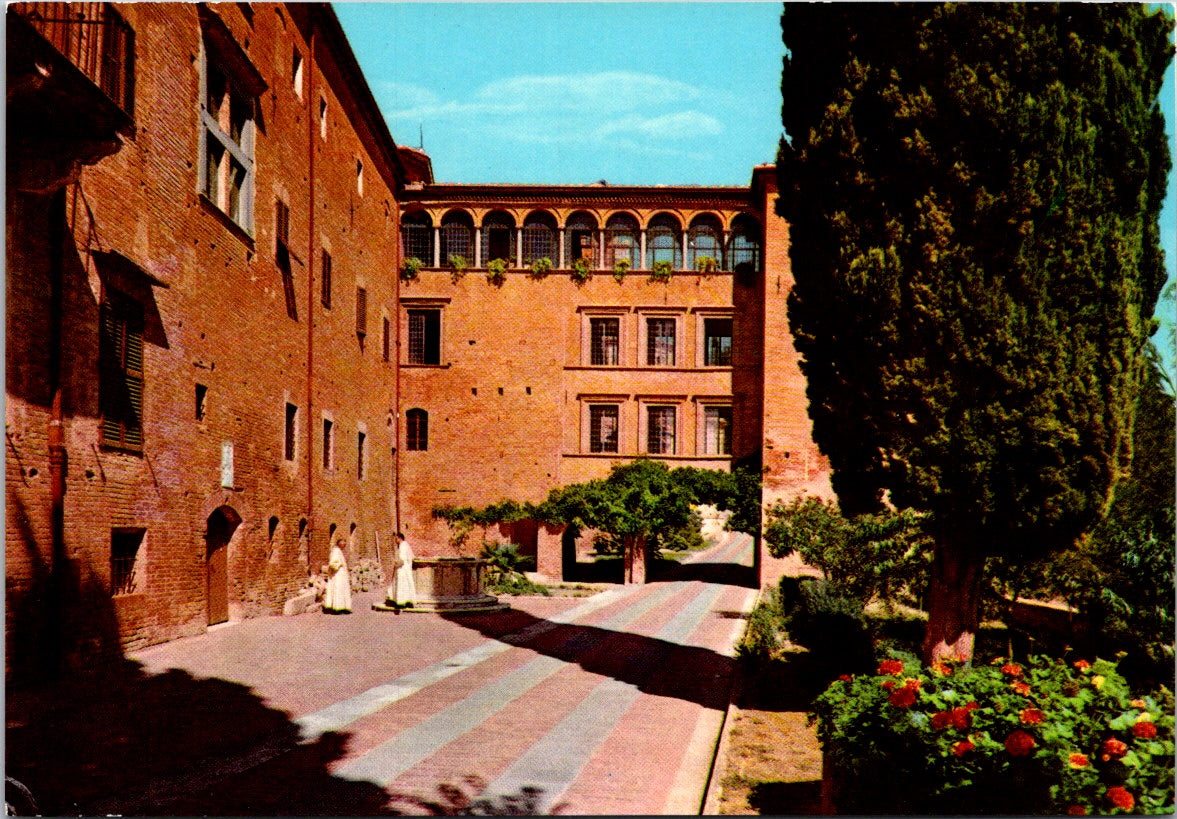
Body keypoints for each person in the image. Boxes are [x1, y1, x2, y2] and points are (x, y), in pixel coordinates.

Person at [322, 538, 352, 613]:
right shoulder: (336, 551)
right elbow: (332, 563)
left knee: (342, 590)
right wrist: (339, 564)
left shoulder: (339, 551)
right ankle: (337, 608)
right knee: (337, 590)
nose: (344, 546)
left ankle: (343, 607)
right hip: (337, 575)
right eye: (343, 544)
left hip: (341, 575)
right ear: (340, 544)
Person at [389, 532, 416, 610]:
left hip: (402, 569)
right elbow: (412, 556)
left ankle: (400, 602)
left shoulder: (402, 546)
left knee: (402, 585)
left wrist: (396, 564)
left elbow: (402, 559)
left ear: (399, 538)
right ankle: (408, 601)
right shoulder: (406, 545)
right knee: (407, 585)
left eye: (396, 539)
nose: (395, 541)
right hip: (407, 569)